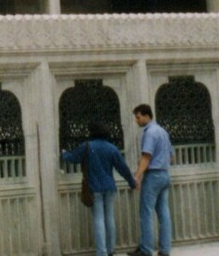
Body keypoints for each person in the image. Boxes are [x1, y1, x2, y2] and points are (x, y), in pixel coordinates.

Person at [61, 120, 135, 256]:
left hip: (94, 188)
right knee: (109, 218)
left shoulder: (87, 147)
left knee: (98, 219)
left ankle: (102, 252)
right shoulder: (111, 148)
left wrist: (64, 153)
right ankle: (111, 249)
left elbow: (73, 158)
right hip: (110, 187)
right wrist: (132, 182)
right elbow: (123, 168)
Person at [131, 103, 173, 256]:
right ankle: (165, 249)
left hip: (153, 175)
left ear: (147, 116)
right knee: (163, 212)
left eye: (138, 117)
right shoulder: (162, 131)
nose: (137, 121)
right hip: (164, 174)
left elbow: (146, 156)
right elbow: (171, 155)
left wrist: (137, 175)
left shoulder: (149, 133)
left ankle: (146, 249)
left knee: (146, 212)